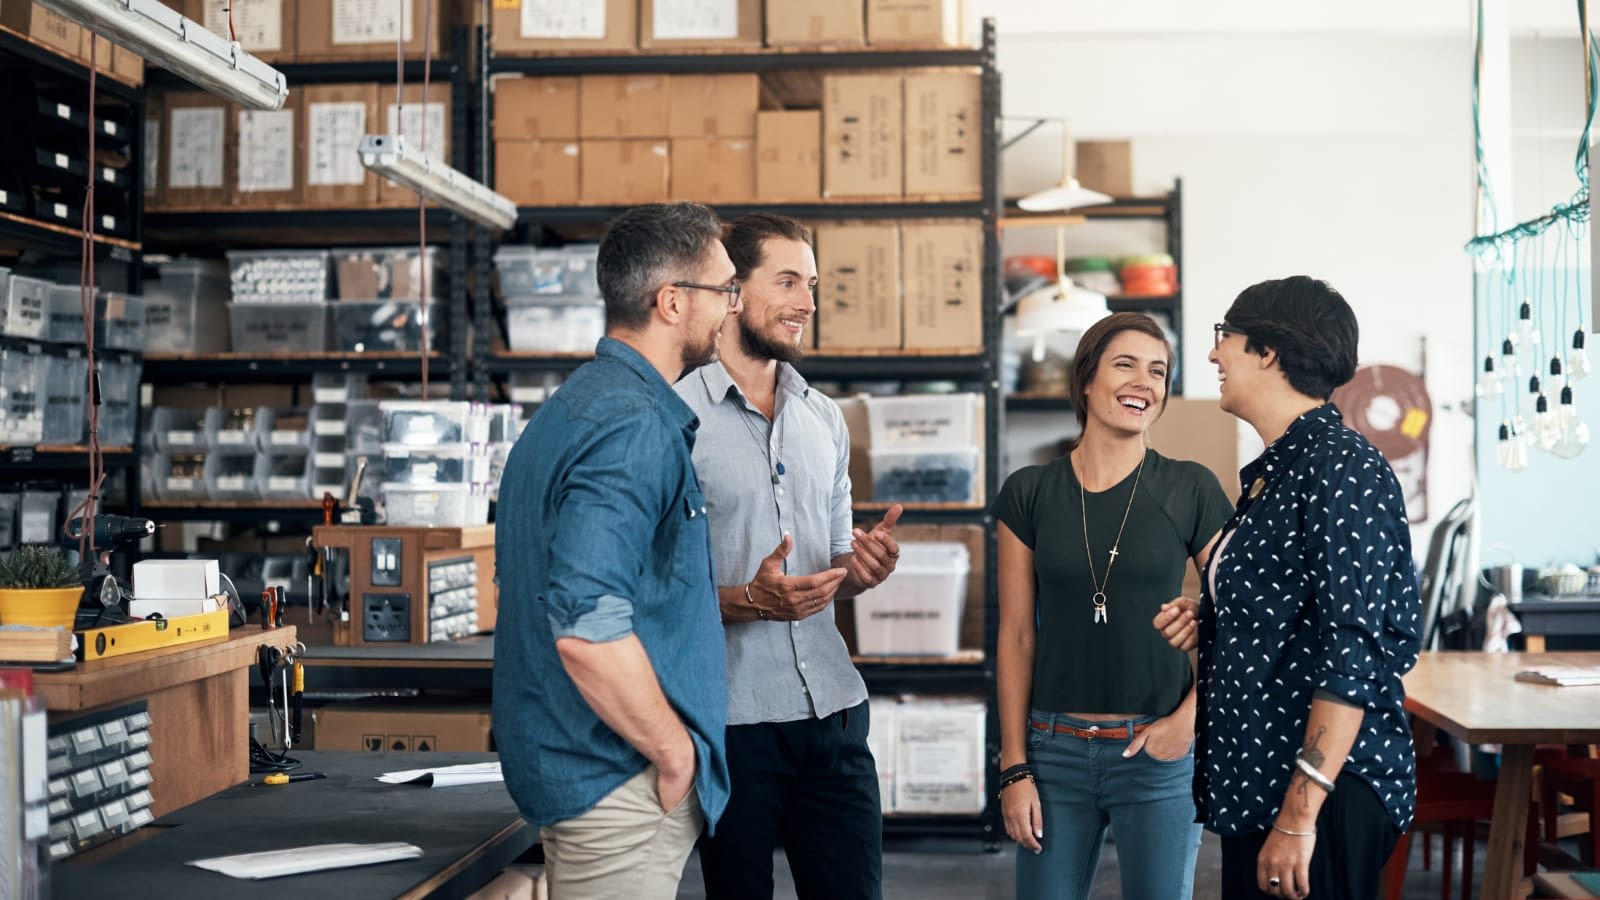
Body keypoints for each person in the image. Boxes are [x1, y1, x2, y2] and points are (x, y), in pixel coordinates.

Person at [492, 202, 737, 900]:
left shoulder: (574, 407)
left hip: (581, 767)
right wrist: (674, 753)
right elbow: (587, 630)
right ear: (670, 302)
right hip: (616, 782)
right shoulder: (633, 428)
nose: (730, 307)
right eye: (724, 290)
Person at [1154, 275, 1421, 900]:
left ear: (1268, 351)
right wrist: (1213, 616)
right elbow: (1293, 610)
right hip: (1264, 779)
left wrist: (1300, 818)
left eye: (1226, 338)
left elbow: (1352, 652)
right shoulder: (1279, 472)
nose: (1215, 354)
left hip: (1320, 796)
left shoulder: (1341, 467)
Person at [675, 212, 902, 900]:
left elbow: (832, 570)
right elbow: (645, 592)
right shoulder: (673, 417)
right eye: (787, 281)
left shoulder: (822, 417)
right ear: (732, 291)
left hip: (833, 714)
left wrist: (860, 571)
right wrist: (747, 600)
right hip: (732, 725)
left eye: (810, 283)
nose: (807, 301)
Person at [993, 312, 1232, 900]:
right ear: (1085, 380)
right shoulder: (1029, 492)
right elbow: (1017, 635)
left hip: (1158, 752)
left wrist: (1189, 720)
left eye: (1159, 372)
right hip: (1053, 754)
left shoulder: (1191, 487)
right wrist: (1014, 766)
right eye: (1125, 364)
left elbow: (1243, 622)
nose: (1144, 383)